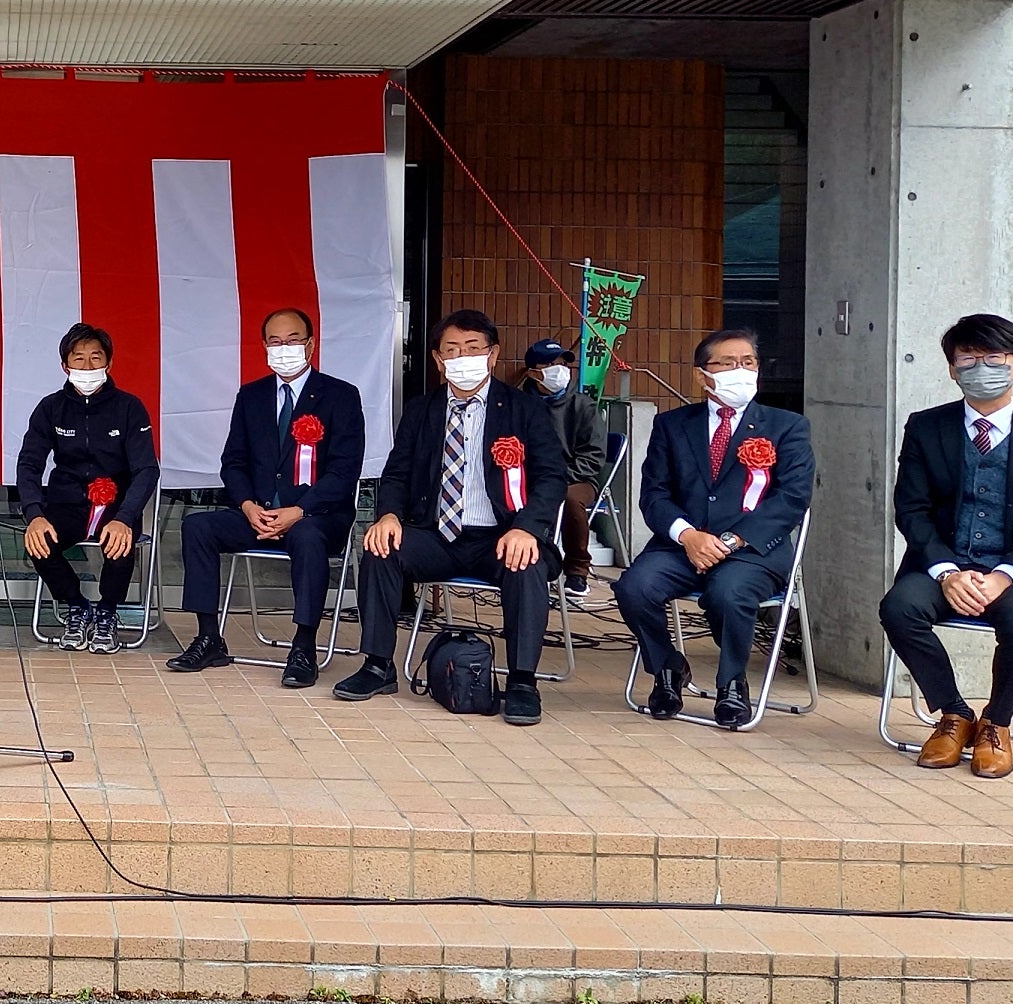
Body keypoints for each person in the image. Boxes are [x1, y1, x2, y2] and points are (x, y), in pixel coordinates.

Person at [335, 310, 564, 725]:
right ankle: (377, 665)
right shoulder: (422, 410)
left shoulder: (523, 409)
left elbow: (551, 476)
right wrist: (388, 516)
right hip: (436, 534)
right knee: (380, 550)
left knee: (526, 562)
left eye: (474, 349)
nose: (463, 357)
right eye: (453, 350)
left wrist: (527, 529)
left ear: (492, 355)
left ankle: (522, 682)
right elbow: (397, 473)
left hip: (499, 535)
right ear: (439, 360)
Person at [878, 312, 1013, 780]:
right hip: (945, 562)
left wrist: (1002, 576)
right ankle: (953, 714)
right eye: (968, 358)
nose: (981, 368)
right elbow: (911, 509)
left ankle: (998, 722)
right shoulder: (926, 428)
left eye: (994, 357)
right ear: (952, 368)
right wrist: (947, 572)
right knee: (899, 609)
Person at [616, 327, 814, 728]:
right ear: (701, 375)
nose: (740, 370)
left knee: (728, 593)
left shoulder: (787, 426)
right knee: (633, 587)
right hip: (681, 547)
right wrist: (688, 536)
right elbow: (653, 494)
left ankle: (732, 684)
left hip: (753, 550)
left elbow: (792, 498)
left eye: (748, 362)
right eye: (727, 363)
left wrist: (732, 539)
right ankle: (668, 668)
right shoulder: (672, 425)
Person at [167, 307, 365, 688]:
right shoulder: (252, 395)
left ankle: (303, 646)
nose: (284, 348)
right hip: (258, 513)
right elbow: (233, 462)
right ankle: (208, 637)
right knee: (197, 527)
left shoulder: (340, 396)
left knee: (307, 537)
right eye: (275, 342)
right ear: (264, 347)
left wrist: (299, 510)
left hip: (316, 517)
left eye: (292, 341)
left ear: (310, 344)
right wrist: (247, 505)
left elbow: (344, 472)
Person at [16, 323, 158, 654]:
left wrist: (126, 516)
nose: (88, 366)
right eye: (78, 358)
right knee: (40, 542)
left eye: (96, 357)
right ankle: (77, 606)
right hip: (67, 503)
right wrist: (34, 514)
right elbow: (29, 465)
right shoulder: (50, 408)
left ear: (109, 363)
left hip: (117, 507)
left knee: (119, 543)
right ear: (65, 366)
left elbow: (147, 468)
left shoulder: (129, 407)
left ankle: (108, 612)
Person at [518, 339, 607, 600]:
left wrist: (555, 478)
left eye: (563, 363)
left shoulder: (583, 406)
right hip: (529, 476)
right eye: (550, 364)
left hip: (576, 478)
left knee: (569, 500)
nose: (560, 369)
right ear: (533, 373)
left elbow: (593, 457)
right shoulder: (519, 405)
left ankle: (577, 571)